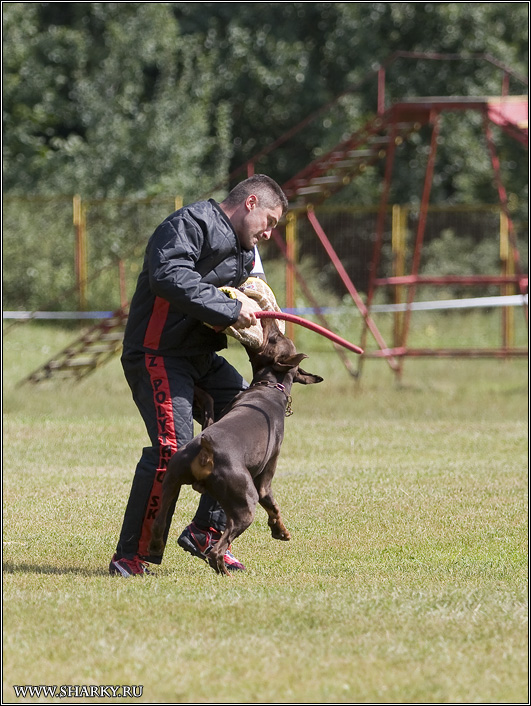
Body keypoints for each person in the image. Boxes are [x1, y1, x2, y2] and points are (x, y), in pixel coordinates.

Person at [109, 174, 289, 576]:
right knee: (172, 449)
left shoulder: (246, 250)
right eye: (270, 221)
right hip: (157, 353)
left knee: (250, 424)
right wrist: (230, 310)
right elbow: (168, 276)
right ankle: (131, 556)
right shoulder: (189, 224)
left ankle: (207, 532)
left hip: (199, 357)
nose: (269, 233)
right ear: (250, 203)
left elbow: (252, 285)